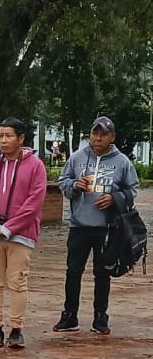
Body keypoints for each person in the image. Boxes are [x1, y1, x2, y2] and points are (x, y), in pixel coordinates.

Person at [54, 116, 138, 335]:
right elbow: (63, 182)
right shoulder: (76, 158)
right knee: (73, 271)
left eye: (103, 134)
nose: (98, 138)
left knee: (102, 273)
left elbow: (133, 189)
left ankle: (100, 317)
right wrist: (74, 185)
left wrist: (115, 198)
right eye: (94, 133)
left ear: (112, 137)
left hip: (107, 227)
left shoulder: (122, 162)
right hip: (79, 225)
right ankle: (69, 315)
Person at [0, 117, 47, 349]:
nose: (4, 141)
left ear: (21, 138)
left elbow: (34, 201)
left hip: (21, 234)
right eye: (1, 136)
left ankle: (16, 329)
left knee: (18, 282)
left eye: (8, 136)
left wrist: (10, 227)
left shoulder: (35, 165)